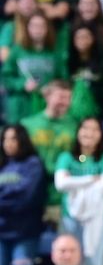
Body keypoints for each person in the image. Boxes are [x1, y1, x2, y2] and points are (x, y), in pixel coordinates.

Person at [55, 117, 103, 265]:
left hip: (99, 219)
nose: (89, 132)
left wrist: (73, 182)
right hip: (70, 217)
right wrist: (91, 179)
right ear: (78, 132)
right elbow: (61, 184)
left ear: (101, 135)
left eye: (94, 129)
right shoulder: (66, 157)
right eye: (85, 128)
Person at [0, 125, 46, 265]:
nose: (9, 143)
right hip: (1, 233)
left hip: (25, 232)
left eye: (14, 139)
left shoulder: (33, 164)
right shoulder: (2, 164)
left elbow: (27, 197)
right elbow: (17, 194)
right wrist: (11, 194)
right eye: (6, 139)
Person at [21, 81, 76, 219]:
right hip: (31, 192)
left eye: (68, 98)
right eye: (61, 97)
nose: (65, 102)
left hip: (61, 196)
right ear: (47, 96)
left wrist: (81, 161)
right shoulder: (28, 125)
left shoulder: (75, 126)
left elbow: (82, 156)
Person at [2, 12, 66, 123]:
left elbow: (62, 79)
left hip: (46, 107)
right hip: (21, 107)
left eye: (41, 26)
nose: (38, 29)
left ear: (47, 29)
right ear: (28, 28)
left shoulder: (54, 53)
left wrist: (52, 89)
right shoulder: (17, 50)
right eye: (34, 26)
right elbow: (5, 77)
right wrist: (22, 84)